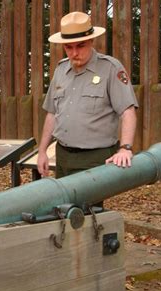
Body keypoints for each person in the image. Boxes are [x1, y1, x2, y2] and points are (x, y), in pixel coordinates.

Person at [37, 11, 138, 180]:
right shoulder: (61, 70)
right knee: (63, 204)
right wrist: (42, 151)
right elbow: (52, 113)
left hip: (95, 158)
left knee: (87, 207)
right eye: (68, 47)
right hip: (62, 155)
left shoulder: (110, 68)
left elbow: (128, 111)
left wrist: (125, 147)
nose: (74, 53)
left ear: (91, 41)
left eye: (80, 45)